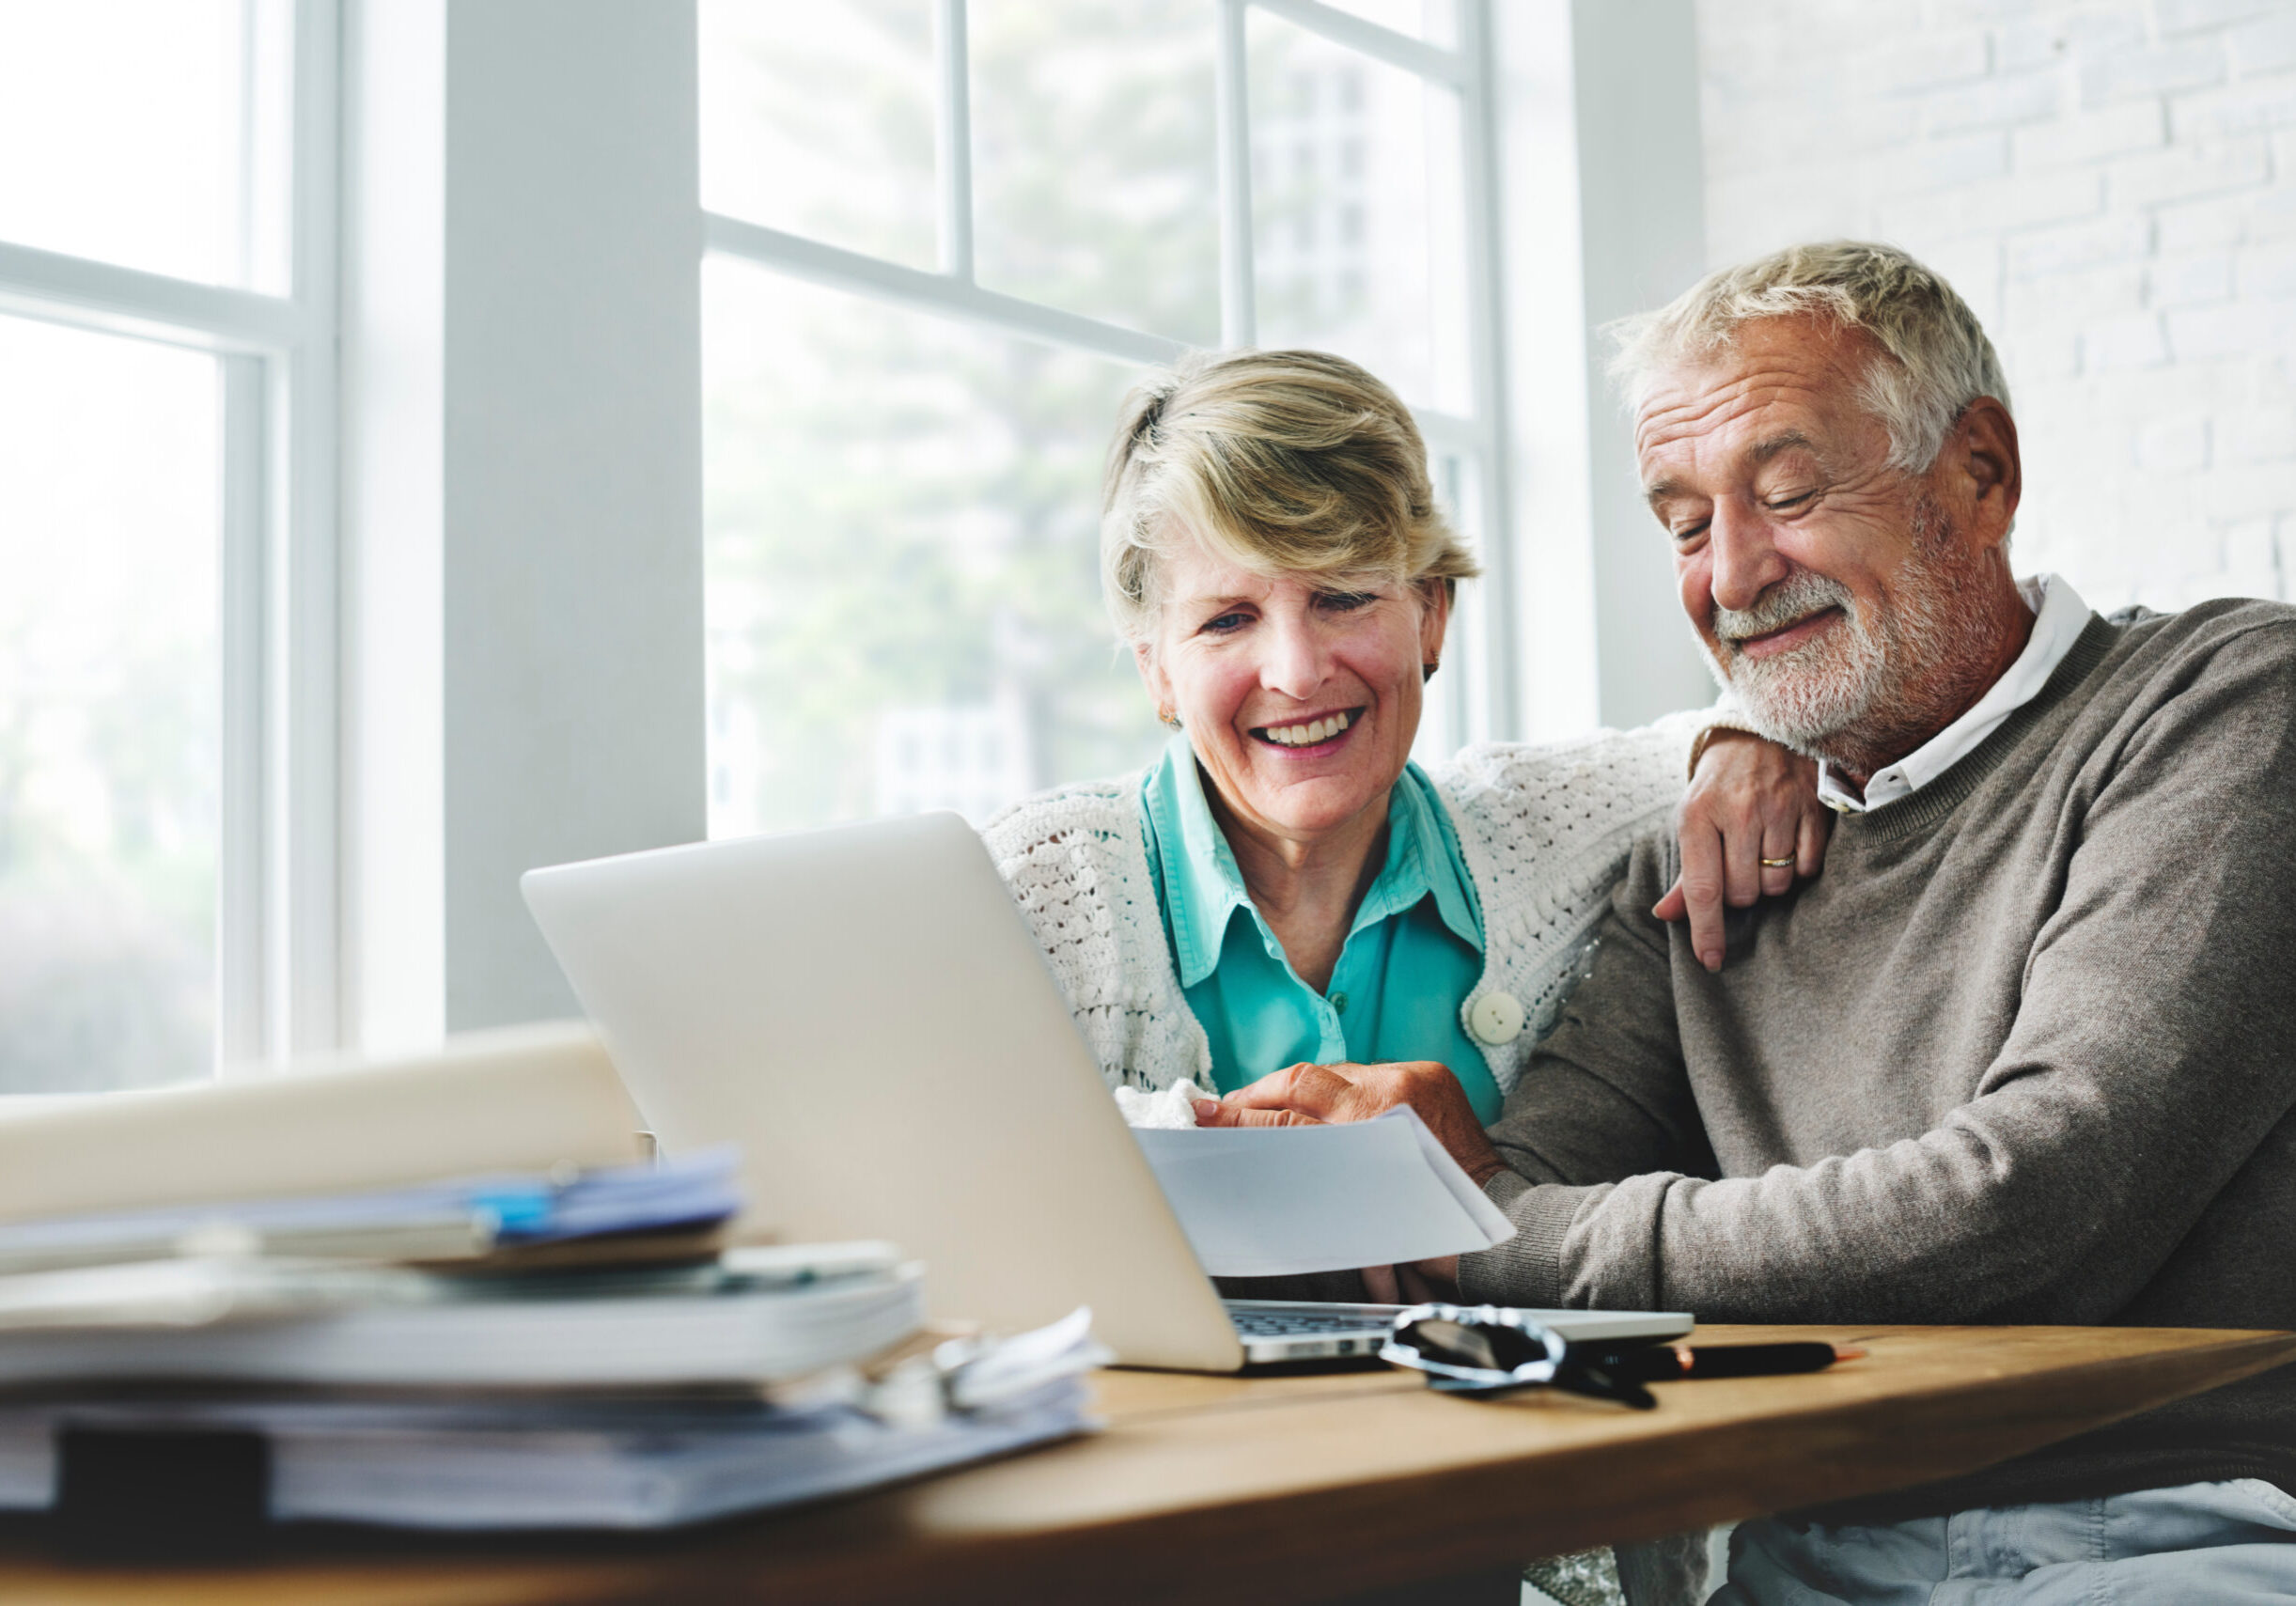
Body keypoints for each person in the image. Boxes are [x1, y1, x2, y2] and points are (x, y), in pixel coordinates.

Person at [1200, 242, 2296, 1602]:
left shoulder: (2220, 708)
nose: (1727, 575)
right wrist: (1347, 1179)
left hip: (2175, 1530)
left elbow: (2036, 1202)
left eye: (1786, 495)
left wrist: (1487, 1226)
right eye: (1681, 525)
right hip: (1804, 1558)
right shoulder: (1698, 857)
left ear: (1979, 473)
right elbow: (1512, 1204)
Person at [984, 348, 1823, 1146]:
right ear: (1157, 670)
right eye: (1227, 619)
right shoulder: (1028, 891)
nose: (1297, 673)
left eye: (1342, 597)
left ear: (1430, 613)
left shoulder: (1554, 832)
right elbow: (953, 1164)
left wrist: (1746, 737)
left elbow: (1763, 716)